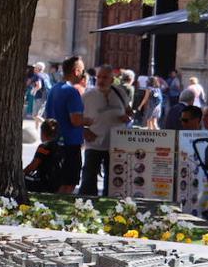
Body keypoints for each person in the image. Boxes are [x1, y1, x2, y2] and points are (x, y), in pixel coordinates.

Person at [79, 64, 133, 196]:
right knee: (89, 179)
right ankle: (86, 205)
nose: (101, 80)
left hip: (116, 145)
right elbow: (76, 118)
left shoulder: (120, 92)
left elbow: (129, 111)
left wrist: (127, 117)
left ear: (112, 79)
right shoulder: (87, 96)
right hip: (94, 143)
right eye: (99, 77)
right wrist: (84, 131)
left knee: (114, 179)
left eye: (105, 77)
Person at [43, 55, 86, 194]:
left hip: (55, 142)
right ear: (76, 71)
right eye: (82, 70)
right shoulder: (72, 92)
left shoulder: (54, 89)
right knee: (69, 183)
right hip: (70, 144)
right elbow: (75, 120)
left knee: (58, 181)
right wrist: (90, 120)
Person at [24, 119, 65, 193]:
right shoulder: (61, 146)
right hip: (57, 183)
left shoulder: (44, 147)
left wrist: (21, 173)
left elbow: (33, 166)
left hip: (43, 182)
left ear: (42, 132)